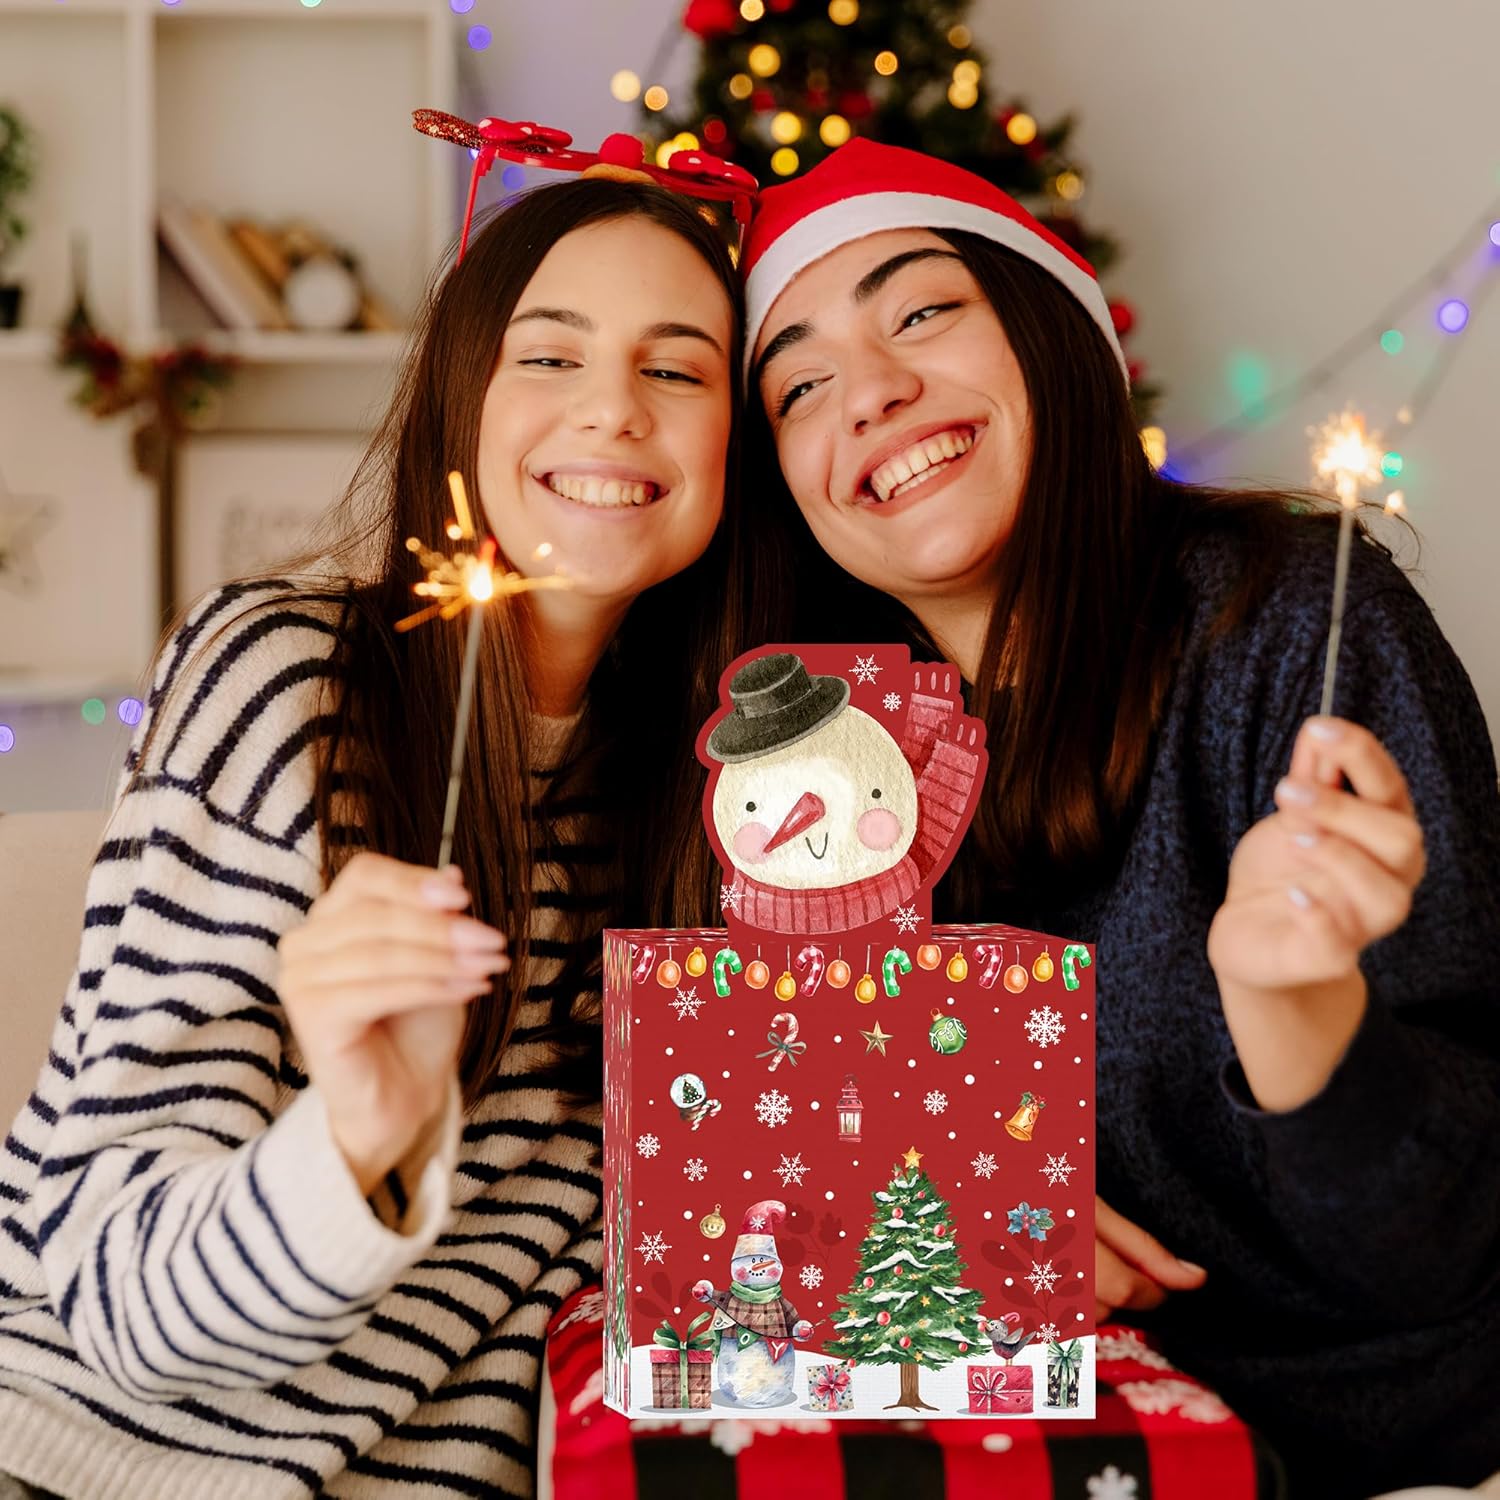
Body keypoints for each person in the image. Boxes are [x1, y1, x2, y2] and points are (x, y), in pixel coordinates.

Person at [739, 138, 1500, 1498]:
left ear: (1050, 333)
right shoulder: (802, 768)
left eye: (919, 312)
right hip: (1033, 1449)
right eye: (800, 384)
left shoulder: (1293, 627)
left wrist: (1298, 1016)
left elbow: (1445, 1246)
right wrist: (945, 1199)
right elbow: (744, 1148)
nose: (873, 394)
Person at [0, 168, 769, 1499]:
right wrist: (353, 1141)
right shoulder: (286, 687)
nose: (611, 407)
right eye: (549, 352)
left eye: (680, 371)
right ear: (461, 394)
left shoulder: (742, 805)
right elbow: (118, 1308)